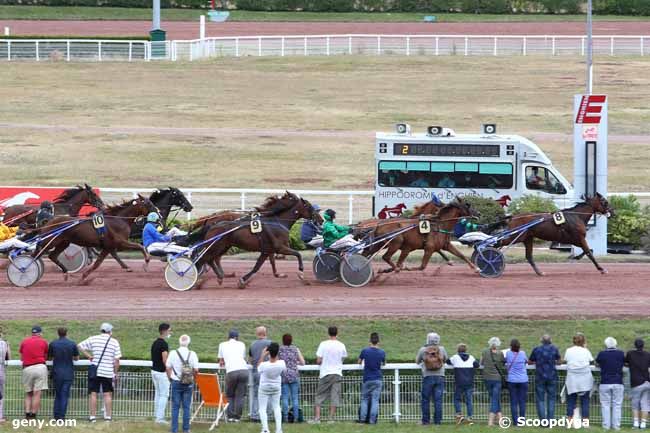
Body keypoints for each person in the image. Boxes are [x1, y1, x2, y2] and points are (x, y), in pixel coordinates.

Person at [78, 323, 122, 422]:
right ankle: (108, 417)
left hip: (95, 370)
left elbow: (80, 346)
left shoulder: (93, 339)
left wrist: (89, 356)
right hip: (107, 371)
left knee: (93, 394)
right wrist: (115, 373)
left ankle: (92, 416)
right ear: (110, 331)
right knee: (107, 394)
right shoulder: (114, 342)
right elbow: (116, 360)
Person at [311, 326, 347, 424]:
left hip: (325, 373)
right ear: (337, 333)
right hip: (337, 373)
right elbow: (343, 359)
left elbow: (318, 360)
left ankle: (317, 418)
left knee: (319, 396)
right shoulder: (341, 345)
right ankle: (331, 419)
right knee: (334, 396)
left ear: (328, 333)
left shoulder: (323, 344)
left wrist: (322, 361)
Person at [166, 334, 198, 433]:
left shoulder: (173, 353)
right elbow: (196, 369)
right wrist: (193, 378)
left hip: (175, 381)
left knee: (175, 407)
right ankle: (186, 429)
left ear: (179, 342)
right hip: (188, 382)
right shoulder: (192, 354)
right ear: (189, 342)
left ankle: (174, 430)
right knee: (186, 407)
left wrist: (170, 378)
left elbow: (167, 367)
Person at [416, 332, 448, 425]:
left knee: (425, 399)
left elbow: (417, 361)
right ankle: (437, 421)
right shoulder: (441, 349)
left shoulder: (423, 349)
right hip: (440, 376)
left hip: (427, 376)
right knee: (438, 400)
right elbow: (446, 359)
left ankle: (425, 421)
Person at [48, 327, 79, 420]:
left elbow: (49, 358)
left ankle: (56, 415)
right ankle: (62, 416)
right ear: (66, 333)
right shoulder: (72, 343)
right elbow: (76, 358)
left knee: (58, 394)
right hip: (68, 372)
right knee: (64, 395)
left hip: (57, 372)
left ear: (58, 333)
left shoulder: (53, 344)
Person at [218, 329, 248, 422]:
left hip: (231, 371)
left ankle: (230, 416)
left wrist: (223, 361)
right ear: (237, 337)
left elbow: (220, 360)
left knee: (230, 395)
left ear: (228, 337)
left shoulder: (222, 344)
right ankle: (237, 417)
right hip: (243, 370)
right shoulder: (242, 344)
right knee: (240, 395)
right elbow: (243, 357)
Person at [19, 325, 48, 419]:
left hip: (27, 368)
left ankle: (27, 414)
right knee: (37, 393)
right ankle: (33, 415)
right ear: (40, 333)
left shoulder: (24, 341)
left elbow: (21, 357)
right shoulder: (43, 342)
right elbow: (46, 356)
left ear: (32, 333)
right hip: (40, 367)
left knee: (28, 393)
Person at [528, 334, 560, 421]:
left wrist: (536, 363)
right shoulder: (554, 348)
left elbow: (530, 361)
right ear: (550, 340)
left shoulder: (537, 349)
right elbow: (559, 360)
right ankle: (550, 420)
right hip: (552, 376)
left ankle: (543, 420)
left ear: (541, 340)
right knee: (551, 399)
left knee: (540, 399)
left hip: (540, 377)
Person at [563, 333, 594, 423]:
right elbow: (591, 361)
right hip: (585, 380)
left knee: (571, 401)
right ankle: (585, 422)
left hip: (572, 380)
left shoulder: (569, 350)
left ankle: (569, 421)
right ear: (583, 341)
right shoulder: (586, 351)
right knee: (585, 402)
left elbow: (566, 360)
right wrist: (585, 348)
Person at [596, 337, 625, 430]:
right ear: (615, 344)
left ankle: (606, 426)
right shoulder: (621, 354)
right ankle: (616, 426)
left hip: (605, 382)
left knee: (605, 405)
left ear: (606, 345)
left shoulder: (602, 354)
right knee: (617, 405)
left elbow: (597, 363)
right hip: (618, 381)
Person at [258, 343, 286, 433]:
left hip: (264, 387)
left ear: (269, 352)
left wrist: (263, 355)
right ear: (278, 352)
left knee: (262, 408)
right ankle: (279, 429)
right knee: (276, 407)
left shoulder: (264, 365)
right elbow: (284, 371)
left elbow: (258, 367)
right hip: (276, 387)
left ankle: (265, 429)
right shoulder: (282, 363)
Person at [447, 343, 479, 425]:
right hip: (469, 382)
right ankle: (470, 417)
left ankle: (459, 415)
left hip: (459, 382)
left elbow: (447, 361)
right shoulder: (471, 357)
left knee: (457, 399)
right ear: (466, 350)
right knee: (469, 400)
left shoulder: (455, 357)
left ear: (458, 350)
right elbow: (477, 365)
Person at [358, 332, 385, 424]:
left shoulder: (365, 351)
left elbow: (359, 362)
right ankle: (372, 420)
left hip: (367, 378)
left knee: (364, 399)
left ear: (370, 341)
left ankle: (362, 419)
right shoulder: (382, 352)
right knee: (375, 400)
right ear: (378, 341)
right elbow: (383, 363)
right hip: (377, 378)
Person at [278, 334, 305, 423]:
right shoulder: (295, 349)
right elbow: (303, 362)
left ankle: (285, 417)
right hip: (294, 375)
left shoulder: (280, 349)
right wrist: (295, 362)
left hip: (284, 375)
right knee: (295, 398)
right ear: (291, 340)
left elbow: (277, 361)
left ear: (283, 340)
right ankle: (296, 417)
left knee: (285, 397)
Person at [625, 338, 650, 429]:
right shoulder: (648, 354)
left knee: (635, 404)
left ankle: (636, 423)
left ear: (635, 345)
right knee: (645, 404)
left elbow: (626, 363)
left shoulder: (630, 353)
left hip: (636, 382)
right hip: (647, 382)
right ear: (643, 345)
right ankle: (643, 424)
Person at [480, 337, 505, 427]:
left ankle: (500, 419)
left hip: (487, 378)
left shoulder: (484, 351)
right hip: (497, 379)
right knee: (495, 399)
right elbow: (503, 363)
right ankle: (490, 422)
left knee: (494, 399)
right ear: (498, 344)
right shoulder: (500, 353)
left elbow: (481, 363)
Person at [151, 323, 172, 425]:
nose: (170, 332)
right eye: (169, 330)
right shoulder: (164, 344)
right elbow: (165, 360)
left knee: (158, 394)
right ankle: (160, 418)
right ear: (164, 331)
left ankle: (157, 416)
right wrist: (169, 373)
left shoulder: (154, 343)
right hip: (161, 373)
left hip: (154, 371)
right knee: (164, 395)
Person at [249, 326, 271, 422]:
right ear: (265, 333)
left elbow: (250, 359)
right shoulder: (270, 343)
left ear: (257, 334)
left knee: (256, 394)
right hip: (267, 371)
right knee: (269, 393)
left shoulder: (252, 344)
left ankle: (254, 415)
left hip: (256, 371)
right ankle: (268, 414)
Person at [505, 339, 528, 422]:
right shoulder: (523, 353)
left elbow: (506, 361)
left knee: (513, 401)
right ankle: (522, 420)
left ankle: (515, 421)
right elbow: (526, 361)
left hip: (512, 380)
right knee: (522, 401)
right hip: (523, 380)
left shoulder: (508, 353)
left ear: (511, 346)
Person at [0, 325, 11, 424]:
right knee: (1, 394)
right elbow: (8, 358)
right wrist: (8, 346)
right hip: (1, 370)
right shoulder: (3, 343)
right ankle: (0, 416)